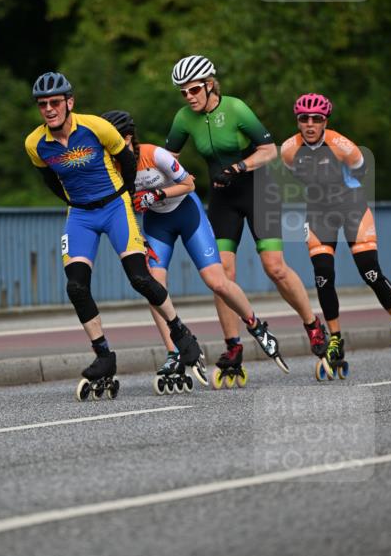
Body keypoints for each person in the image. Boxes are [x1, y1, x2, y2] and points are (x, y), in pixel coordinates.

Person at [24, 71, 207, 396]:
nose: (49, 109)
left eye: (55, 102)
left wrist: (121, 194)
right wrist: (75, 202)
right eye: (42, 104)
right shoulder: (35, 143)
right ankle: (104, 357)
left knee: (139, 278)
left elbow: (126, 160)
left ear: (69, 102)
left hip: (114, 206)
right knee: (76, 286)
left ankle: (180, 332)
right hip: (80, 214)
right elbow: (50, 181)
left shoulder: (97, 128)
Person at [165, 55, 329, 379]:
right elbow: (167, 160)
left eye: (194, 89)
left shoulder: (236, 108)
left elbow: (270, 150)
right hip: (222, 197)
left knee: (275, 267)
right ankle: (233, 345)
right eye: (183, 92)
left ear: (210, 85)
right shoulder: (184, 118)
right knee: (221, 276)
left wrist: (239, 166)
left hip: (258, 191)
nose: (189, 97)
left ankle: (313, 324)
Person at [101, 109, 289, 389]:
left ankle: (255, 324)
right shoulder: (111, 168)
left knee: (216, 281)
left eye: (112, 142)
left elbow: (189, 184)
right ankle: (174, 351)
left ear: (127, 138)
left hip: (187, 215)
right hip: (156, 224)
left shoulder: (154, 155)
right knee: (152, 285)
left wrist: (158, 193)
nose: (109, 150)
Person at [281, 93, 391, 375]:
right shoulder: (288, 149)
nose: (310, 124)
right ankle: (335, 339)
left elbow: (361, 169)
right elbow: (296, 173)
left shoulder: (341, 145)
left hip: (352, 207)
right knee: (323, 275)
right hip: (319, 212)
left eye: (317, 119)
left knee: (370, 271)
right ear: (298, 121)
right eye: (304, 119)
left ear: (325, 121)